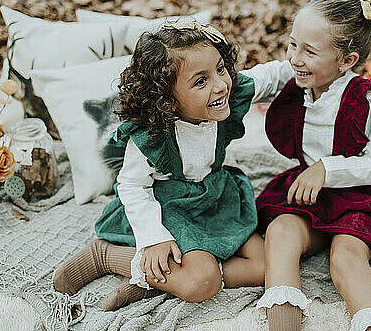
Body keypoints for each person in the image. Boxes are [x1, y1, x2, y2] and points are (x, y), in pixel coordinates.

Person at [53, 21, 292, 311]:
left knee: (266, 266)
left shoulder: (232, 92)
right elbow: (131, 185)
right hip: (170, 205)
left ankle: (156, 281)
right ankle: (104, 256)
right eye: (200, 81)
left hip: (215, 197)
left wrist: (310, 64)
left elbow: (275, 74)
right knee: (202, 282)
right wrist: (153, 238)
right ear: (167, 98)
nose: (220, 85)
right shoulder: (151, 136)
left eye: (220, 69)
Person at [249, 0, 371, 331]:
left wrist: (327, 168)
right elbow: (261, 78)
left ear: (347, 60)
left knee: (344, 260)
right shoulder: (298, 78)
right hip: (307, 194)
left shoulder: (368, 100)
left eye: (309, 51)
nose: (295, 58)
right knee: (280, 233)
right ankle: (283, 325)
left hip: (358, 199)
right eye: (292, 44)